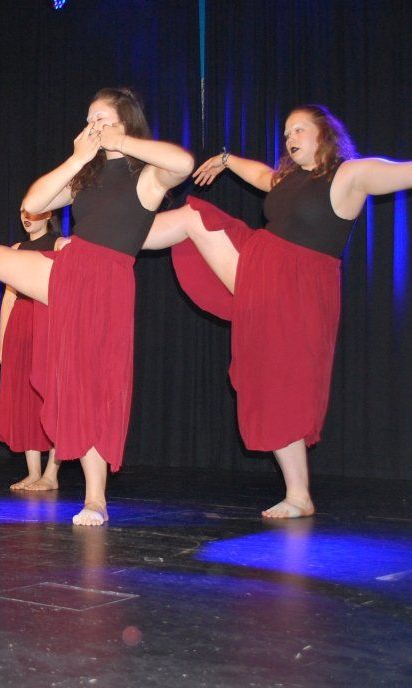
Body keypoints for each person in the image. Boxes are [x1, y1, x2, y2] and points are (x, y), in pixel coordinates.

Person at [0, 88, 193, 525]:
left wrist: (119, 142)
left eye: (102, 118)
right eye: (89, 119)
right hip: (71, 268)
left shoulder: (147, 175)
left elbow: (184, 163)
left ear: (125, 122)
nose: (93, 126)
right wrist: (78, 159)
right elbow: (32, 204)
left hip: (107, 281)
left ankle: (96, 499)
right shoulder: (86, 175)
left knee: (92, 387)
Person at [143, 104, 412, 518]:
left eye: (299, 129)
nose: (289, 137)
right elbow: (260, 175)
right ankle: (108, 245)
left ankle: (299, 496)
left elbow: (400, 172)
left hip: (297, 290)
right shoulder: (286, 180)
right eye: (286, 132)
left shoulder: (349, 176)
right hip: (261, 270)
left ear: (325, 134)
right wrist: (227, 161)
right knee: (192, 216)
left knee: (279, 386)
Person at [0, 209, 61, 490]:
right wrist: (2, 342)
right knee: (25, 397)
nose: (27, 217)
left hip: (49, 320)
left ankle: (51, 475)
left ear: (48, 215)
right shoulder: (16, 249)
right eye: (23, 212)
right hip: (21, 324)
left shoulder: (59, 244)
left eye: (34, 212)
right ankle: (34, 473)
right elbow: (8, 299)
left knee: (53, 397)